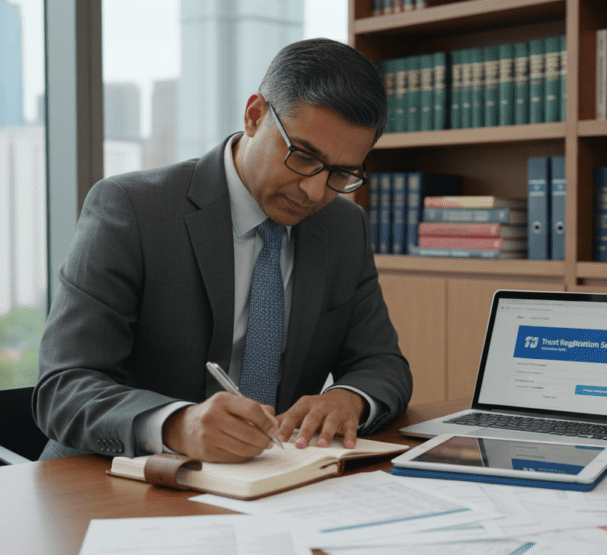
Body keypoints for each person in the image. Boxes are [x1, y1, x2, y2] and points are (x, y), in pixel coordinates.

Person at [33, 38, 412, 464]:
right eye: (303, 156)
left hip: (269, 481)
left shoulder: (343, 226)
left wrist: (349, 398)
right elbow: (63, 387)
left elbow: (383, 363)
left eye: (342, 173)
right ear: (254, 116)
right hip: (120, 479)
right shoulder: (131, 208)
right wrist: (177, 425)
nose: (314, 191)